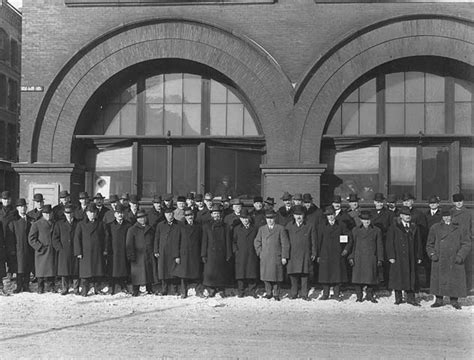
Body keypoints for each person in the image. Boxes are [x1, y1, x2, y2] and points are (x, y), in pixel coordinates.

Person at [427, 208, 471, 310]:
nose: (447, 218)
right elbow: (429, 244)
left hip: (454, 258)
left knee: (454, 280)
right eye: (445, 216)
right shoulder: (435, 228)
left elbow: (466, 243)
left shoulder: (460, 228)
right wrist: (432, 254)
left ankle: (454, 301)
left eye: (449, 216)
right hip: (439, 258)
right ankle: (438, 300)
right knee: (438, 280)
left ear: (452, 217)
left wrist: (460, 256)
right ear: (442, 217)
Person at [386, 206, 423, 306]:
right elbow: (390, 243)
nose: (407, 217)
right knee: (398, 276)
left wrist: (419, 256)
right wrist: (391, 256)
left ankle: (411, 298)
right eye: (405, 215)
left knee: (411, 276)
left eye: (409, 215)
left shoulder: (414, 227)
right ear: (401, 216)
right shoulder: (394, 227)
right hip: (398, 256)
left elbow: (418, 242)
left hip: (411, 256)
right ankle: (398, 298)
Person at [317, 206, 352, 301]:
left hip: (337, 254)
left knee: (337, 274)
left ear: (335, 215)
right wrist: (318, 254)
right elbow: (319, 241)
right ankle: (325, 294)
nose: (330, 217)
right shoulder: (322, 226)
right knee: (325, 275)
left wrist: (346, 249)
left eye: (332, 215)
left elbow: (348, 238)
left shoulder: (341, 225)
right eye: (328, 215)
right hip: (325, 254)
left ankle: (336, 294)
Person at [254, 209, 289, 301]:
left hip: (276, 256)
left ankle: (276, 293)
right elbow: (257, 242)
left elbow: (285, 243)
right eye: (268, 218)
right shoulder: (262, 229)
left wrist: (284, 256)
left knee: (276, 276)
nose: (270, 220)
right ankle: (268, 292)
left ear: (275, 218)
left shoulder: (280, 228)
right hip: (265, 256)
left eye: (272, 218)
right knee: (266, 276)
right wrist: (260, 252)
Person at [348, 211, 383, 303]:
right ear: (361, 220)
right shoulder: (355, 230)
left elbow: (379, 245)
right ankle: (359, 296)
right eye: (364, 220)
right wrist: (351, 257)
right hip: (358, 257)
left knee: (371, 278)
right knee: (357, 279)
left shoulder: (376, 230)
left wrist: (380, 258)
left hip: (371, 257)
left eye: (368, 220)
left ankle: (369, 295)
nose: (366, 222)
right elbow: (352, 245)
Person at [74, 203, 107, 296]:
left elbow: (106, 237)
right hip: (85, 252)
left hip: (98, 251)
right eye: (90, 212)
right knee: (85, 273)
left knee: (98, 272)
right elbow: (77, 238)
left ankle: (97, 289)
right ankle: (85, 290)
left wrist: (105, 249)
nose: (92, 214)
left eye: (94, 212)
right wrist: (78, 252)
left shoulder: (101, 223)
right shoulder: (81, 224)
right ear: (87, 213)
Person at [201, 204, 233, 297]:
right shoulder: (207, 226)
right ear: (211, 215)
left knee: (221, 272)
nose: (216, 215)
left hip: (222, 252)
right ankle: (211, 288)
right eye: (214, 213)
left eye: (218, 213)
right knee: (210, 272)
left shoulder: (225, 226)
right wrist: (203, 254)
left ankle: (221, 289)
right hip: (210, 253)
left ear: (221, 215)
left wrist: (228, 253)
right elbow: (204, 241)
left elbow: (228, 241)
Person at [285, 205, 316, 300]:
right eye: (296, 215)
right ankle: (294, 293)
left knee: (304, 274)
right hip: (292, 254)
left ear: (304, 215)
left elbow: (313, 241)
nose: (298, 217)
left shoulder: (309, 225)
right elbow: (285, 241)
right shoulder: (289, 226)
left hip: (305, 254)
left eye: (300, 215)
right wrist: (285, 254)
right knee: (293, 274)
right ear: (293, 216)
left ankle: (304, 294)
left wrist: (314, 253)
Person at [173, 207, 203, 298]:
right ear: (184, 217)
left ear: (193, 215)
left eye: (191, 215)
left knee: (198, 273)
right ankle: (183, 292)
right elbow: (176, 241)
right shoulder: (180, 226)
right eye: (187, 215)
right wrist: (177, 255)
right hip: (184, 254)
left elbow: (201, 240)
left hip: (195, 253)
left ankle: (198, 291)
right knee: (184, 274)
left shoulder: (198, 226)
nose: (189, 217)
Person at [52, 204, 79, 295]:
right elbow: (55, 238)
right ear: (64, 213)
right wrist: (59, 248)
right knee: (64, 271)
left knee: (76, 270)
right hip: (64, 250)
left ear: (74, 213)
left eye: (71, 212)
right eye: (67, 213)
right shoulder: (59, 224)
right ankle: (65, 288)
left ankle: (76, 288)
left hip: (75, 249)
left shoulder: (78, 223)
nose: (69, 214)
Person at [8, 198, 34, 293]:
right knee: (19, 268)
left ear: (26, 207)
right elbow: (10, 238)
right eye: (20, 207)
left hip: (28, 248)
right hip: (18, 248)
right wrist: (12, 250)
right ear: (17, 208)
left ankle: (26, 285)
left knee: (27, 266)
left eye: (24, 206)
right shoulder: (14, 221)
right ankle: (19, 286)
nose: (22, 208)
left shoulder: (31, 220)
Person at [126, 210, 155, 296]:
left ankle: (149, 289)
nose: (142, 219)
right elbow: (129, 244)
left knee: (148, 272)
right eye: (140, 218)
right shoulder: (132, 229)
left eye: (143, 217)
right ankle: (135, 290)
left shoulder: (150, 228)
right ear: (137, 219)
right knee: (137, 274)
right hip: (137, 255)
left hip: (148, 254)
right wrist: (130, 255)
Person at [105, 203, 132, 295]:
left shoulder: (128, 225)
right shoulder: (110, 225)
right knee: (112, 269)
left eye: (121, 213)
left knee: (124, 268)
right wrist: (107, 250)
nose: (120, 215)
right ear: (115, 214)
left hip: (124, 250)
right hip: (113, 251)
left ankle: (123, 286)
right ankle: (111, 287)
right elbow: (107, 239)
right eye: (118, 213)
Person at [28, 204, 56, 294]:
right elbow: (31, 238)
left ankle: (52, 286)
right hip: (42, 251)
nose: (47, 215)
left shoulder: (55, 223)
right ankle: (40, 287)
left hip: (52, 250)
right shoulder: (37, 224)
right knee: (41, 271)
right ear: (42, 214)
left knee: (51, 269)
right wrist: (39, 247)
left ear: (52, 213)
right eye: (45, 213)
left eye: (49, 213)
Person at [154, 207, 181, 295]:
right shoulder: (160, 225)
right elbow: (157, 238)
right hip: (163, 251)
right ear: (165, 215)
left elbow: (181, 239)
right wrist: (156, 250)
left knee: (174, 271)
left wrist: (178, 253)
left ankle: (174, 289)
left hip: (174, 251)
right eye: (168, 214)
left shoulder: (179, 225)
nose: (170, 216)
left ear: (173, 214)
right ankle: (164, 289)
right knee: (163, 271)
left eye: (171, 214)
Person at [232, 208, 259, 298]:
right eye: (243, 218)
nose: (245, 220)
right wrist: (236, 251)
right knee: (241, 273)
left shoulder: (255, 228)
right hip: (241, 254)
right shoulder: (237, 229)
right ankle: (241, 291)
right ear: (240, 219)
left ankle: (252, 290)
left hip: (252, 253)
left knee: (252, 272)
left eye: (246, 218)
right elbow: (233, 241)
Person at [450, 193, 473, 289]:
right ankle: (455, 287)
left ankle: (467, 287)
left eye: (460, 201)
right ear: (453, 202)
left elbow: (472, 226)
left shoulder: (469, 213)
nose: (458, 203)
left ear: (463, 201)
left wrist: (471, 236)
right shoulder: (450, 212)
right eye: (456, 202)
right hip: (453, 242)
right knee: (454, 264)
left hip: (466, 242)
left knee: (467, 265)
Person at [370, 193, 392, 286]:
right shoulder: (371, 212)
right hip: (373, 241)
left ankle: (387, 283)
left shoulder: (389, 213)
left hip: (385, 240)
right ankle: (375, 282)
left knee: (385, 261)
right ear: (374, 202)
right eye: (377, 202)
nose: (379, 204)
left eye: (381, 202)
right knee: (374, 260)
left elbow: (391, 228)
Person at [0, 191, 17, 278]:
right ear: (1, 200)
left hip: (11, 239)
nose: (6, 201)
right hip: (1, 239)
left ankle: (10, 276)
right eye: (4, 199)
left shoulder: (14, 212)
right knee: (1, 259)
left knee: (11, 258)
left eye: (7, 199)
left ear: (10, 200)